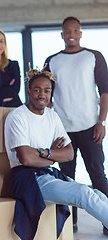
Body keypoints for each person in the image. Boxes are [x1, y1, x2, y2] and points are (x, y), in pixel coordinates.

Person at [4, 68, 108, 240]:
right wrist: (51, 157)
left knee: (97, 194)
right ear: (29, 90)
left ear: (51, 93)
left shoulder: (52, 116)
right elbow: (25, 158)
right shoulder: (18, 116)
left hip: (47, 174)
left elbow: (69, 154)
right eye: (37, 89)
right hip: (27, 179)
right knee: (84, 193)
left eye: (47, 90)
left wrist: (44, 152)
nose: (42, 95)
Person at [44, 16, 108, 234]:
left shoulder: (94, 57)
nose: (71, 34)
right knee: (66, 180)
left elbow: (105, 91)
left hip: (90, 126)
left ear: (81, 33)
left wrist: (101, 121)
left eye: (75, 30)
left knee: (98, 175)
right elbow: (46, 95)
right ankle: (68, 225)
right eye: (67, 31)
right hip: (63, 130)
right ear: (62, 34)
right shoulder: (52, 60)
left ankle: (107, 221)